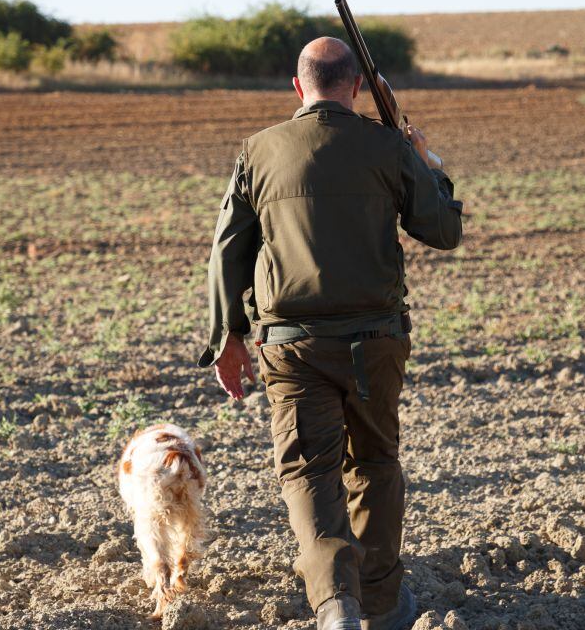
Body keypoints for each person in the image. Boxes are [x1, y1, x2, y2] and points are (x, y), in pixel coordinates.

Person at [197, 36, 463, 630]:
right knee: (374, 462)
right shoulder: (387, 145)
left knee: (309, 474)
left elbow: (226, 253)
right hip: (376, 341)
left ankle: (335, 605)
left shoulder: (258, 151)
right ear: (358, 87)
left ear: (298, 87)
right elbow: (443, 230)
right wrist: (426, 161)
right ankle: (382, 606)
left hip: (290, 346)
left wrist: (228, 336)